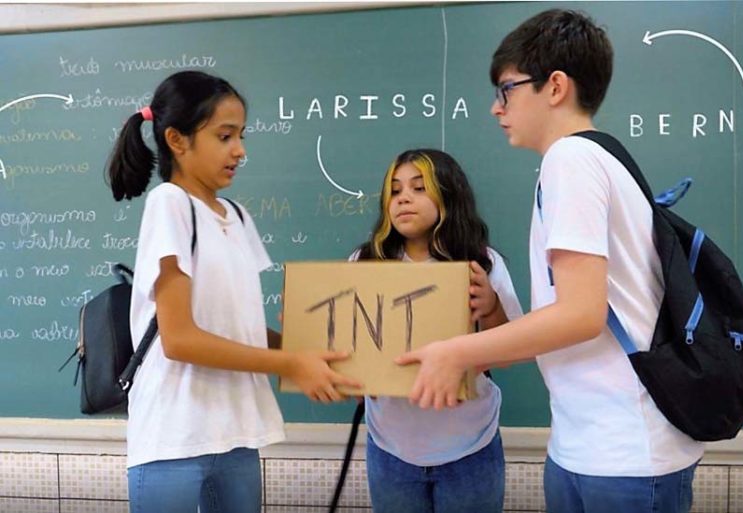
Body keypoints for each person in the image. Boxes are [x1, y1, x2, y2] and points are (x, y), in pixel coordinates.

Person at [394, 9, 704, 513]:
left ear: (555, 86)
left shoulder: (571, 159)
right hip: (590, 443)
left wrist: (456, 351)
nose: (497, 107)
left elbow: (580, 314)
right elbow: (564, 321)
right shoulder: (599, 157)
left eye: (507, 89)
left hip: (623, 453)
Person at [107, 70, 360, 513]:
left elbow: (243, 329)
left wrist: (318, 357)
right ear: (177, 140)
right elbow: (179, 340)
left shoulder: (237, 215)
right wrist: (291, 364)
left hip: (236, 433)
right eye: (225, 136)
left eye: (241, 136)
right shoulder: (170, 203)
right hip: (174, 437)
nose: (239, 150)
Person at [352, 148, 523, 513]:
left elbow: (511, 353)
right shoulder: (366, 263)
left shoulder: (482, 263)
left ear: (448, 194)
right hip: (390, 445)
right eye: (395, 191)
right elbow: (353, 350)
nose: (403, 199)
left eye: (419, 188)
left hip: (470, 443)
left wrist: (491, 306)